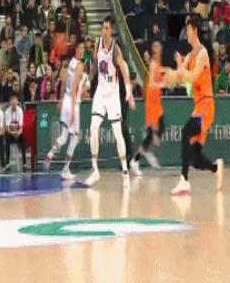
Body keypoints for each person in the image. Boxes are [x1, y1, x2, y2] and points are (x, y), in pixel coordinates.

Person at [169, 15, 224, 195]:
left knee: (186, 131)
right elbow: (180, 77)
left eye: (188, 30)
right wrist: (174, 72)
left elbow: (191, 77)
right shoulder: (190, 56)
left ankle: (184, 180)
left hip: (206, 106)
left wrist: (181, 68)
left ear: (194, 30)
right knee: (195, 158)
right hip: (198, 106)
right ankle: (216, 168)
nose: (186, 34)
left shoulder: (202, 54)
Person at [85, 16, 135, 188]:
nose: (104, 31)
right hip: (100, 92)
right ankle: (95, 170)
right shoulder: (98, 43)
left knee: (117, 133)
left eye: (107, 28)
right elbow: (94, 65)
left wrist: (128, 90)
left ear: (112, 30)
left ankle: (125, 172)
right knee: (93, 128)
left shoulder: (115, 49)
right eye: (103, 28)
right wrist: (88, 80)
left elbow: (124, 68)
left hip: (113, 94)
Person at [44, 41, 89, 180]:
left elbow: (63, 83)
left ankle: (50, 155)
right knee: (74, 138)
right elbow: (74, 86)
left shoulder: (70, 63)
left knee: (64, 137)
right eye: (81, 48)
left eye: (84, 48)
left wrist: (61, 100)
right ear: (76, 50)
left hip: (66, 101)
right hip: (73, 104)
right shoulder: (79, 65)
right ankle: (65, 169)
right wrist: (73, 109)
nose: (83, 50)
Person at [130, 41, 164, 176]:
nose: (157, 48)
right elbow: (152, 84)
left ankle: (146, 152)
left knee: (160, 127)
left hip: (156, 100)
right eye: (155, 46)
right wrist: (163, 83)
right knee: (152, 134)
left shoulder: (157, 62)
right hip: (152, 100)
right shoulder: (154, 63)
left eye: (158, 46)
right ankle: (136, 159)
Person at [4, 93, 26, 172]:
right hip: (10, 133)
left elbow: (21, 127)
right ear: (10, 103)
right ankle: (7, 164)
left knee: (23, 139)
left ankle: (24, 164)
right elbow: (7, 128)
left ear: (17, 102)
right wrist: (12, 133)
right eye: (12, 103)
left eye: (15, 103)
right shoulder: (7, 111)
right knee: (7, 140)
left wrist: (18, 133)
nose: (13, 104)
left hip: (18, 133)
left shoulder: (20, 110)